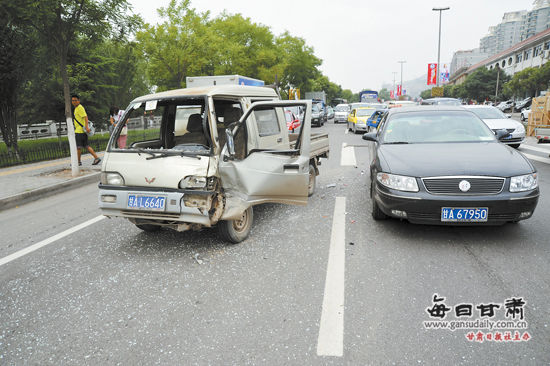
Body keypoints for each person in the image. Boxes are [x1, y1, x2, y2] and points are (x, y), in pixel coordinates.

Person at [71, 94, 101, 166]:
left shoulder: (80, 108)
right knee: (86, 146)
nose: (74, 102)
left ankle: (78, 162)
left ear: (79, 101)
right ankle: (96, 158)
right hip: (81, 130)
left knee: (78, 147)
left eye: (75, 100)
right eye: (72, 100)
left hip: (80, 131)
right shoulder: (77, 108)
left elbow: (85, 117)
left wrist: (87, 127)